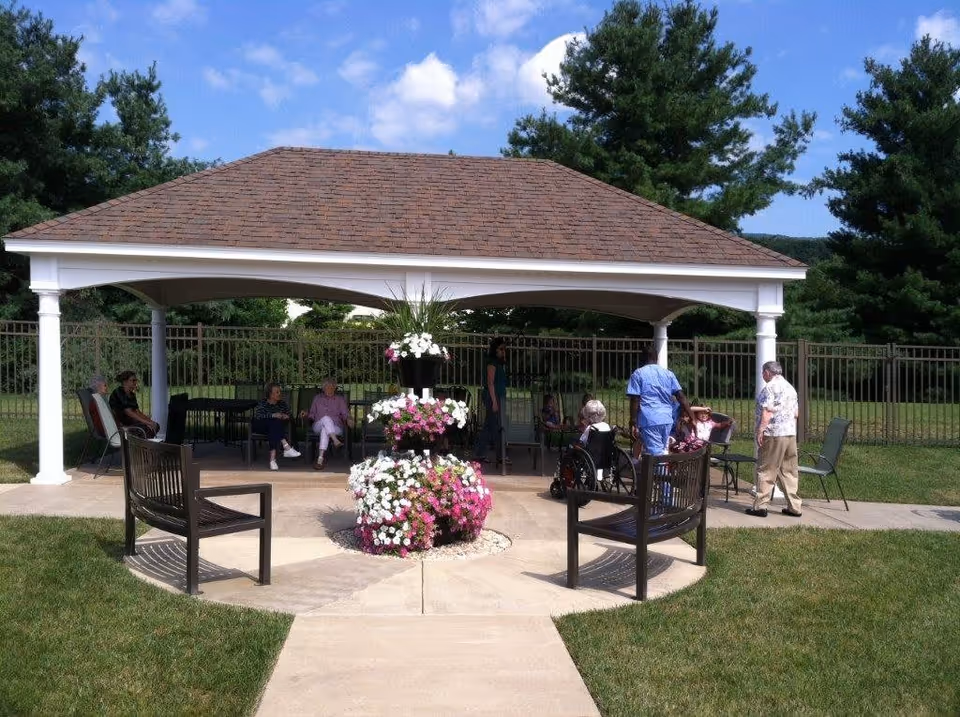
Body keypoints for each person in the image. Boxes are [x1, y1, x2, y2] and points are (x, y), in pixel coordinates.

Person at [747, 361, 803, 518]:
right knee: (789, 471)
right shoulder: (790, 388)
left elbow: (767, 412)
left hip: (773, 434)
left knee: (766, 469)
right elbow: (796, 413)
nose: (762, 375)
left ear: (767, 372)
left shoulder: (770, 387)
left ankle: (760, 506)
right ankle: (795, 507)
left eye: (762, 373)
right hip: (790, 434)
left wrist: (760, 431)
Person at [626, 346, 694, 457]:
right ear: (656, 357)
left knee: (657, 456)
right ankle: (656, 471)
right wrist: (692, 417)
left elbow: (635, 399)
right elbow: (681, 396)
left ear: (643, 358)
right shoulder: (668, 374)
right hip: (666, 419)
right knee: (662, 451)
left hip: (649, 419)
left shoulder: (638, 374)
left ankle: (661, 474)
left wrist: (633, 422)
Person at [301, 378, 353, 470]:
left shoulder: (339, 399)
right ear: (323, 389)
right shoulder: (317, 398)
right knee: (326, 418)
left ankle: (320, 459)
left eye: (332, 388)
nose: (330, 390)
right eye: (327, 388)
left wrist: (349, 419)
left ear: (335, 388)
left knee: (325, 429)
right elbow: (312, 413)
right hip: (318, 425)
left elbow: (345, 414)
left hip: (336, 427)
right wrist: (306, 414)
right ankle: (335, 440)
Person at [472, 337, 507, 465]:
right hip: (493, 396)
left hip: (498, 396)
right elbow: (490, 383)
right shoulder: (491, 363)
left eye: (504, 349)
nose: (503, 351)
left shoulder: (499, 363)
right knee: (495, 426)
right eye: (501, 349)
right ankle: (500, 455)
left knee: (489, 426)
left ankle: (480, 453)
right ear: (495, 349)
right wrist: (494, 402)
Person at [254, 382, 301, 471]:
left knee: (274, 425)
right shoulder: (263, 403)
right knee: (274, 421)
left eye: (279, 392)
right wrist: (273, 415)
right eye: (277, 392)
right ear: (270, 394)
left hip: (275, 428)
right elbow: (258, 416)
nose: (280, 394)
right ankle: (285, 448)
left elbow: (289, 415)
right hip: (261, 427)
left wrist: (285, 416)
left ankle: (274, 459)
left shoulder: (282, 404)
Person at [109, 370, 159, 438]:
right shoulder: (119, 392)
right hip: (121, 424)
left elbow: (137, 412)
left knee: (156, 426)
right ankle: (142, 445)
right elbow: (128, 412)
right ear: (125, 382)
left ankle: (145, 444)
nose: (135, 382)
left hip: (130, 421)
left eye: (135, 380)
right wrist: (147, 422)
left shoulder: (132, 394)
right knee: (144, 427)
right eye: (132, 380)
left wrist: (151, 422)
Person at [579, 399, 612, 482]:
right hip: (606, 455)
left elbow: (582, 441)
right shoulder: (607, 426)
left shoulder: (591, 428)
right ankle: (600, 476)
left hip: (592, 455)